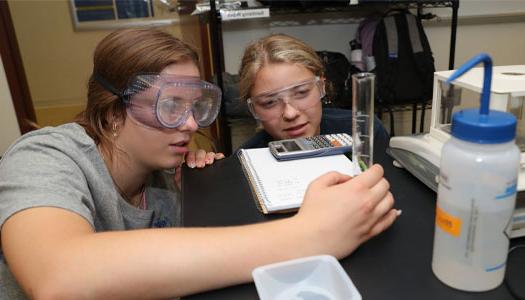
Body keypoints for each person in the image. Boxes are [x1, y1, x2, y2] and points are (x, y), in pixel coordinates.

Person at [0, 28, 399, 299]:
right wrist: (310, 235)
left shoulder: (170, 178)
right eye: (171, 106)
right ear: (112, 109)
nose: (190, 124)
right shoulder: (45, 155)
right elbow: (57, 276)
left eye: (195, 107)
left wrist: (193, 192)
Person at [237, 33, 390, 153]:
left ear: (321, 86)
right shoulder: (247, 159)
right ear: (253, 109)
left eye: (302, 92)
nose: (290, 114)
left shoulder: (363, 131)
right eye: (269, 102)